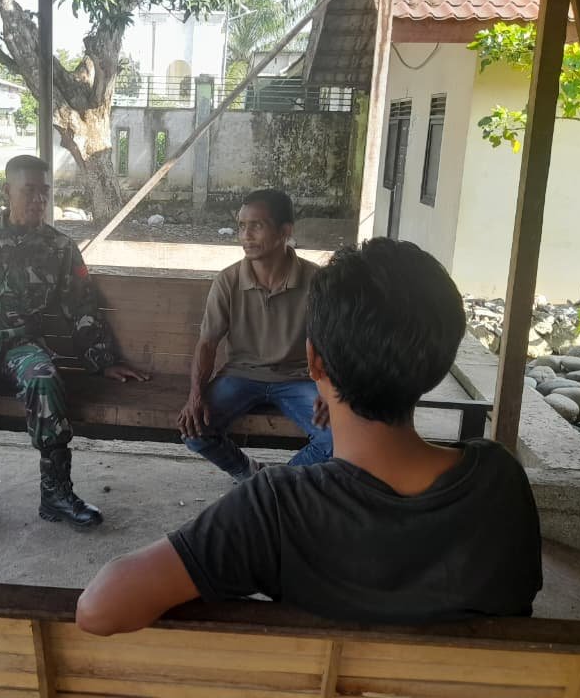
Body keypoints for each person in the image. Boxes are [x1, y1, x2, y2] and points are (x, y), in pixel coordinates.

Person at [75, 238, 543, 634]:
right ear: (439, 366)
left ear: (314, 362)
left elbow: (99, 608)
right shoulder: (500, 481)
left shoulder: (275, 508)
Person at [0, 155, 149, 533]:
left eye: (44, 191)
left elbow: (81, 306)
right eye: (29, 191)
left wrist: (103, 359)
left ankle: (55, 494)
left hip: (23, 346)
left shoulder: (59, 247)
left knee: (44, 380)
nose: (39, 199)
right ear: (7, 192)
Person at [178, 189, 331, 481]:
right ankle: (250, 474)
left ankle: (275, 483)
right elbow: (207, 343)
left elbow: (334, 341)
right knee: (194, 430)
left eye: (256, 226)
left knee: (339, 438)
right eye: (241, 226)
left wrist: (330, 388)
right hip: (241, 375)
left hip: (299, 377)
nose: (245, 236)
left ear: (285, 231)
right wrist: (195, 395)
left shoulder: (316, 281)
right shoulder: (228, 280)